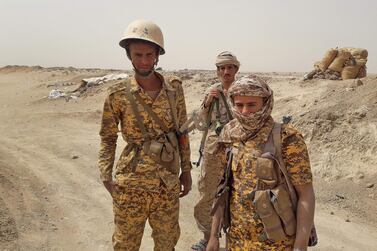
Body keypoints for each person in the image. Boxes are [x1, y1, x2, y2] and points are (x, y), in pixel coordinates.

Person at [97, 19, 192, 251]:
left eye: (150, 54)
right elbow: (108, 137)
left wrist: (186, 171)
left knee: (167, 242)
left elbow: (182, 132)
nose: (144, 61)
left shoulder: (174, 88)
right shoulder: (117, 94)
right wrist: (105, 175)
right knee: (125, 244)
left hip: (166, 183)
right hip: (131, 184)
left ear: (158, 55)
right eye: (138, 55)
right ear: (128, 55)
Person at [206, 75, 315, 251]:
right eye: (239, 105)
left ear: (265, 104)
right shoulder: (229, 134)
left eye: (251, 105)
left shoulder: (286, 138)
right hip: (237, 240)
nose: (244, 112)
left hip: (277, 243)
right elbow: (222, 189)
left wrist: (300, 246)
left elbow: (306, 194)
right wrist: (213, 236)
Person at [191, 52, 240, 251]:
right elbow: (201, 123)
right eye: (222, 68)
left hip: (237, 149)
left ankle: (233, 241)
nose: (225, 71)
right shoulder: (212, 91)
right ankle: (207, 236)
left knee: (236, 196)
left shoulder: (243, 90)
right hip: (214, 150)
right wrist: (207, 103)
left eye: (229, 67)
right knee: (207, 194)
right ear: (217, 70)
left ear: (236, 69)